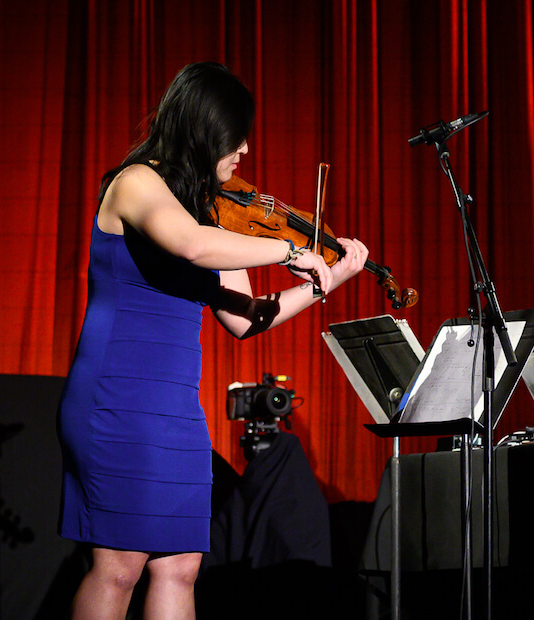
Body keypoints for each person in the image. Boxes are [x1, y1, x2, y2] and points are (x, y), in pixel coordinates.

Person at [57, 62, 368, 619]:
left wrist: (328, 283)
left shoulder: (212, 208)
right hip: (118, 398)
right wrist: (291, 252)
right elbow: (192, 247)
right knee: (120, 566)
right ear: (203, 129)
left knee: (180, 566)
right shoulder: (136, 183)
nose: (245, 148)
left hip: (174, 404)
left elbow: (246, 319)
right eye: (235, 136)